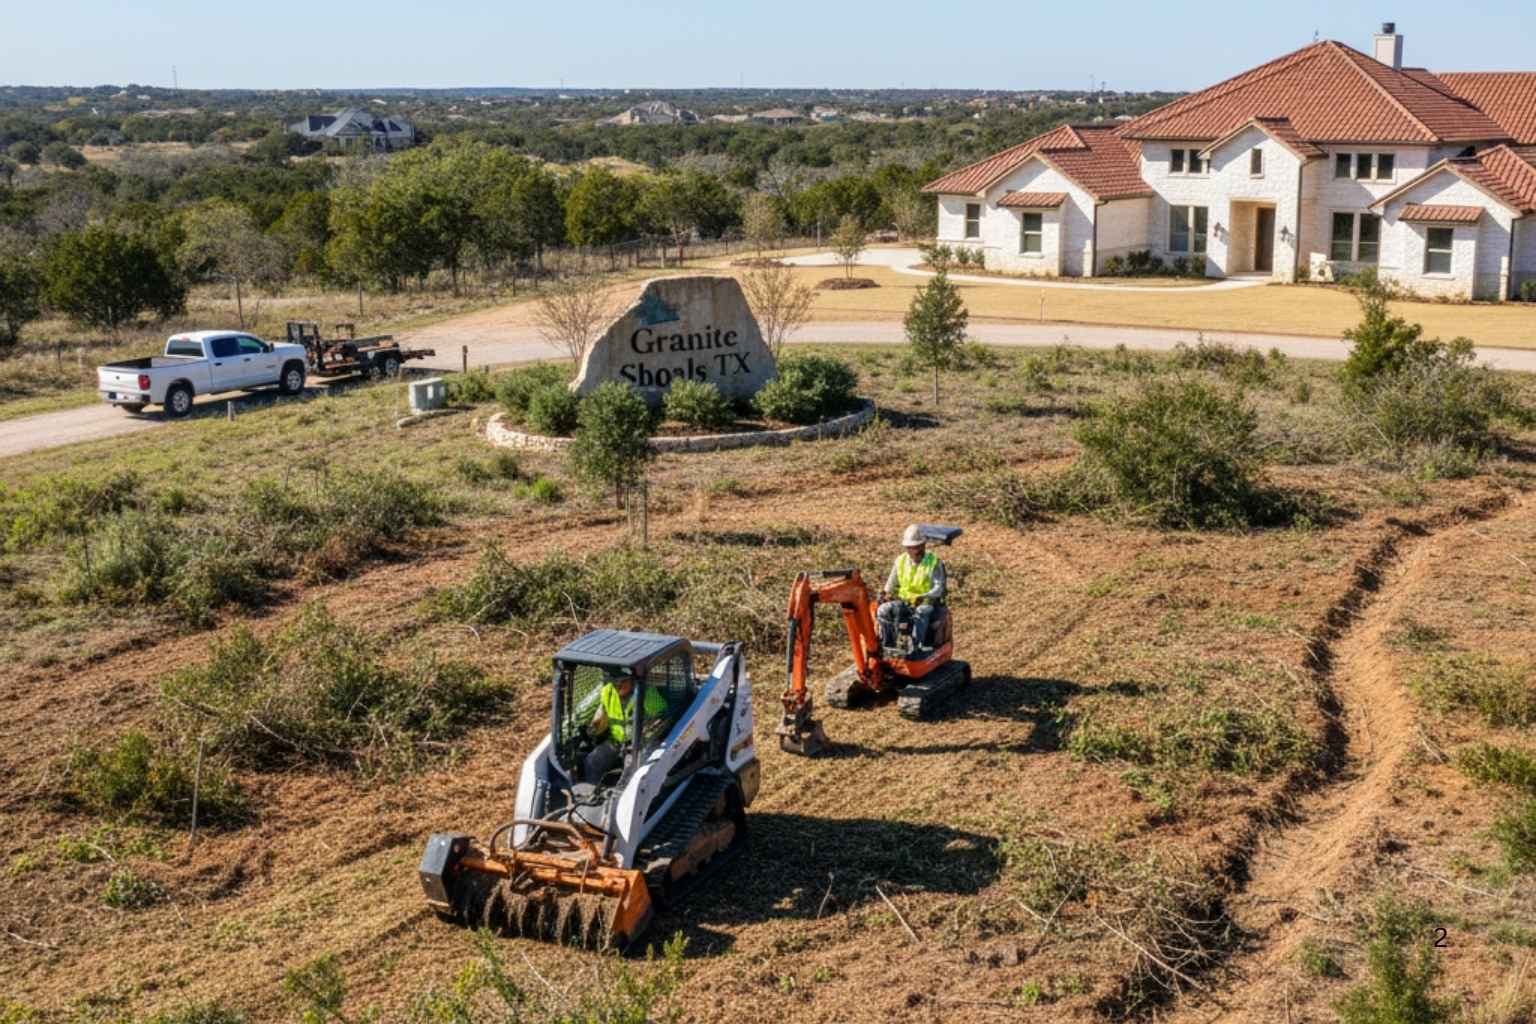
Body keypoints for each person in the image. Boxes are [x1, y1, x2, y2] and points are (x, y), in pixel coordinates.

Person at [582, 673, 669, 785]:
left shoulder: (646, 692)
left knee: (632, 772)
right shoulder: (607, 691)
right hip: (616, 741)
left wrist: (644, 734)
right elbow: (602, 715)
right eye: (614, 681)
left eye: (623, 681)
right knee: (592, 761)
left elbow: (662, 717)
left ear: (632, 680)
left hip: (641, 743)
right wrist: (594, 728)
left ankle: (623, 798)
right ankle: (592, 791)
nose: (618, 685)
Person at [877, 524, 947, 650]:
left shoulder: (934, 562)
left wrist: (923, 596)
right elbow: (890, 583)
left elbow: (939, 588)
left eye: (917, 547)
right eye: (911, 548)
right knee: (883, 610)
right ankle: (888, 644)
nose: (915, 551)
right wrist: (884, 594)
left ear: (923, 545)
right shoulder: (900, 561)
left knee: (921, 612)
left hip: (926, 602)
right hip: (904, 601)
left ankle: (915, 646)